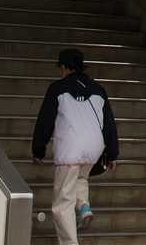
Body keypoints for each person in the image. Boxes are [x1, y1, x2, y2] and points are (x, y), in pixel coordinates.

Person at [32, 48, 118, 243]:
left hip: (70, 148)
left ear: (64, 67)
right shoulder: (98, 89)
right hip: (94, 148)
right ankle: (84, 207)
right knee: (80, 177)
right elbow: (109, 124)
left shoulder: (57, 88)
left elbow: (45, 122)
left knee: (63, 203)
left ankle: (70, 242)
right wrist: (112, 154)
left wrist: (38, 150)